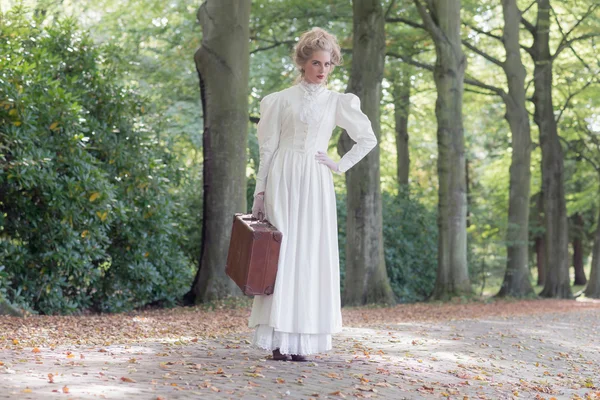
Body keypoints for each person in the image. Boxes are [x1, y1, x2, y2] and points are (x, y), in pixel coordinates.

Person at [249, 27, 378, 362]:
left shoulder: (338, 102)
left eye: (328, 64)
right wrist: (259, 192)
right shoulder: (279, 100)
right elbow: (267, 149)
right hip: (283, 177)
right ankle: (278, 340)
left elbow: (367, 138)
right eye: (317, 63)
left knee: (310, 254)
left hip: (317, 181)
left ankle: (303, 341)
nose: (323, 70)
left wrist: (339, 165)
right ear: (303, 63)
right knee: (283, 253)